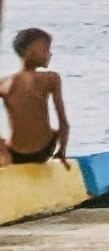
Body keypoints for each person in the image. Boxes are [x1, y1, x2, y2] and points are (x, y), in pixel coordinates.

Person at [6, 27, 70, 166]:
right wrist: (62, 151)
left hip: (14, 153)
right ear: (29, 53)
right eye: (46, 50)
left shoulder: (4, 83)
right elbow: (63, 123)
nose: (50, 54)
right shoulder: (51, 78)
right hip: (43, 151)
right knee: (54, 131)